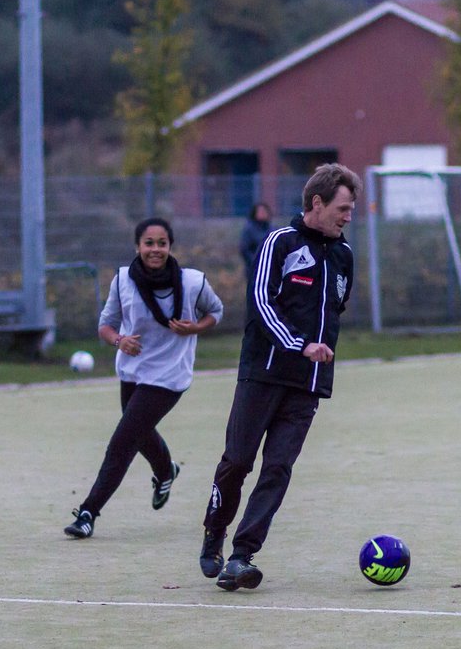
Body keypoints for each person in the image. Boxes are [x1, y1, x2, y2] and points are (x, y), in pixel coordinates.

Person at [199, 163, 358, 591]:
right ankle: (215, 531)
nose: (348, 216)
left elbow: (334, 312)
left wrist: (317, 353)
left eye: (352, 209)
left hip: (307, 385)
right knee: (237, 463)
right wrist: (298, 343)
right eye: (342, 208)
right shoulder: (279, 242)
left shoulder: (344, 256)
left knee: (278, 469)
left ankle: (241, 556)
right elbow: (260, 303)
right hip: (263, 375)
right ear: (317, 203)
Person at [65, 217, 224, 539]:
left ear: (170, 246)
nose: (155, 249)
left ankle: (87, 513)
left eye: (161, 243)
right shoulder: (123, 280)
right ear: (137, 247)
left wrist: (195, 327)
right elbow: (106, 324)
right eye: (148, 243)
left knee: (122, 442)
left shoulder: (192, 282)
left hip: (170, 375)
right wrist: (119, 341)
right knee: (138, 432)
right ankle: (166, 470)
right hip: (133, 372)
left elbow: (216, 312)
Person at [239, 202, 272, 285]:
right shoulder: (249, 229)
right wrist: (255, 261)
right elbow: (244, 249)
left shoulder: (272, 228)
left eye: (265, 211)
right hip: (254, 269)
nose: (263, 213)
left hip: (271, 269)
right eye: (260, 211)